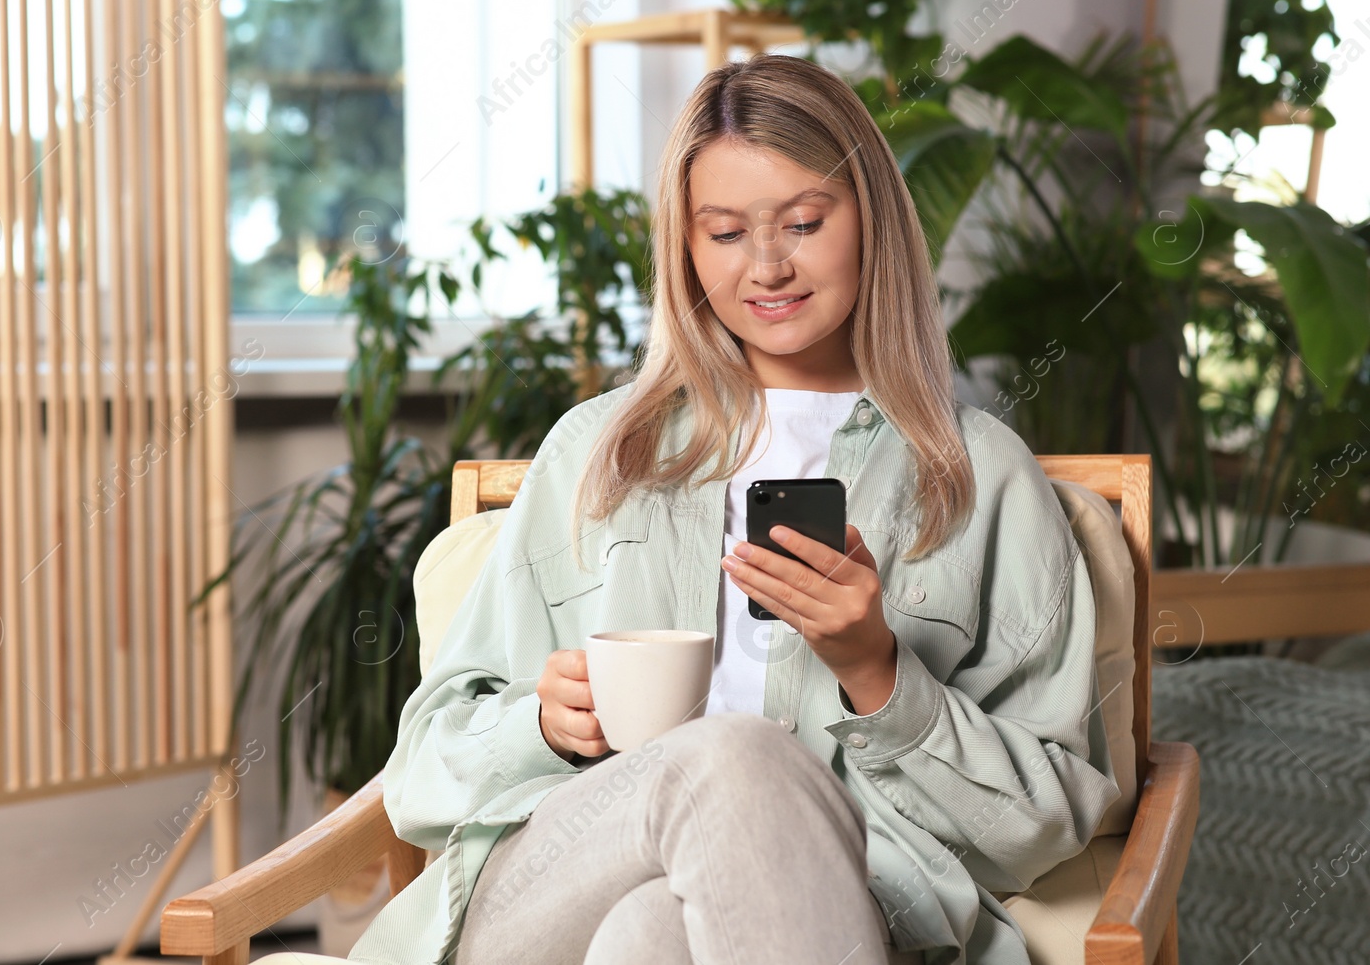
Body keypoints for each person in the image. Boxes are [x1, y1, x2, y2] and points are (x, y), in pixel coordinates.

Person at [348, 53, 1121, 965]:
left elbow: (1051, 818)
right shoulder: (599, 454)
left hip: (836, 902)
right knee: (738, 755)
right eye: (723, 234)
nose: (767, 265)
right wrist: (544, 726)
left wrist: (880, 673)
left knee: (654, 936)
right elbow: (423, 768)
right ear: (684, 246)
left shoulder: (977, 475)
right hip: (549, 885)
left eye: (803, 221)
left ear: (870, 220)